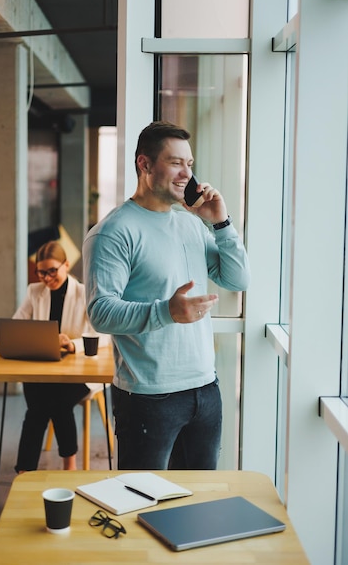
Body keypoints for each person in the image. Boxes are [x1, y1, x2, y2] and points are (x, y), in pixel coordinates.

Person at [82, 120, 250, 470]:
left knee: (198, 503)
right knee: (143, 502)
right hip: (148, 396)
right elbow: (100, 311)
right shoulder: (113, 232)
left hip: (205, 388)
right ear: (144, 164)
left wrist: (220, 224)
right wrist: (166, 312)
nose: (186, 174)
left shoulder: (190, 223)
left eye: (189, 164)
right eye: (176, 163)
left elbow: (237, 279)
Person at [14, 240, 92, 472]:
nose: (46, 278)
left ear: (66, 265)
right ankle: (68, 464)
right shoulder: (34, 291)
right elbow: (17, 325)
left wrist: (72, 345)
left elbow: (101, 336)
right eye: (41, 273)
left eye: (52, 271)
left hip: (78, 372)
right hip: (44, 370)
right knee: (43, 402)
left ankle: (26, 470)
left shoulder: (83, 293)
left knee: (48, 404)